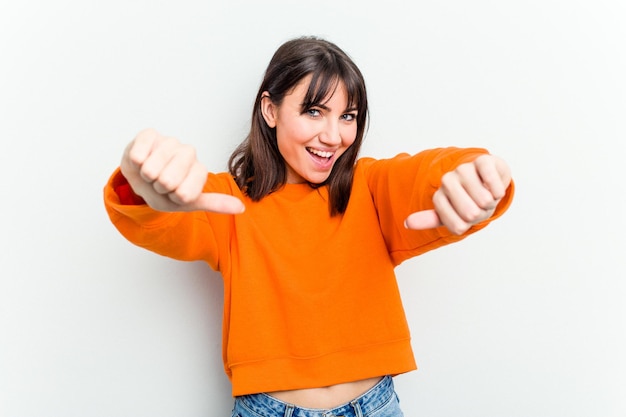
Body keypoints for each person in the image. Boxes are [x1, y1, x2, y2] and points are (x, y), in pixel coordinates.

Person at [104, 36, 514, 417]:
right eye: (314, 111)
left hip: (375, 405)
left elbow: (423, 173)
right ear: (270, 110)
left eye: (348, 116)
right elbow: (159, 219)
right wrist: (143, 185)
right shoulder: (227, 201)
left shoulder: (367, 188)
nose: (334, 136)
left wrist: (477, 174)